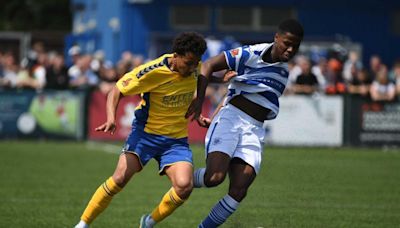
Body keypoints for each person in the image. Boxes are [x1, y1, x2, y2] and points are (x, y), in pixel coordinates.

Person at [74, 32, 220, 228]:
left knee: (184, 186)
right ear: (175, 56)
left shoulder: (196, 67)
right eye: (188, 63)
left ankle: (149, 222)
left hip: (175, 140)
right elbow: (116, 90)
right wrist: (111, 118)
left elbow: (205, 73)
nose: (193, 68)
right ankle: (83, 224)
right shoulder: (152, 71)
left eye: (196, 63)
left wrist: (200, 100)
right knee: (119, 178)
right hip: (145, 135)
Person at [186, 19, 304, 227]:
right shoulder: (252, 54)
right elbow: (208, 65)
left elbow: (237, 89)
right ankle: (182, 179)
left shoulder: (284, 71)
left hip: (254, 128)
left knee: (240, 189)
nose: (290, 49)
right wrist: (199, 100)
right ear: (276, 38)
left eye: (295, 45)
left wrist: (213, 114)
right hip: (231, 120)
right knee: (214, 177)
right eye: (287, 43)